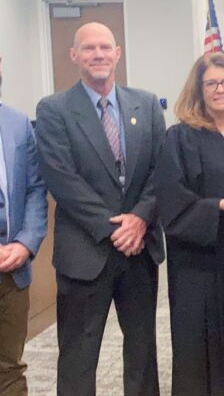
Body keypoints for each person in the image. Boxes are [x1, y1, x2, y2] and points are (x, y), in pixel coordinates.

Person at [35, 22, 166, 396]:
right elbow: (62, 180)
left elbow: (161, 170)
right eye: (89, 48)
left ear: (117, 53)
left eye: (105, 47)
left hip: (139, 252)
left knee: (142, 352)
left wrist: (140, 218)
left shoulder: (146, 104)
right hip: (85, 253)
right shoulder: (55, 109)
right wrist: (116, 229)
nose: (98, 55)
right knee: (78, 355)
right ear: (74, 55)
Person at [155, 53, 224, 396]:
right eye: (211, 83)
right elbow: (171, 202)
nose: (220, 89)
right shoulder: (179, 137)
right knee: (200, 353)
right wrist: (219, 205)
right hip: (199, 266)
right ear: (199, 90)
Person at [0, 56, 48, 396]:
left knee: (9, 368)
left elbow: (34, 189)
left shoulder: (16, 123)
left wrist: (27, 242)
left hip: (12, 267)